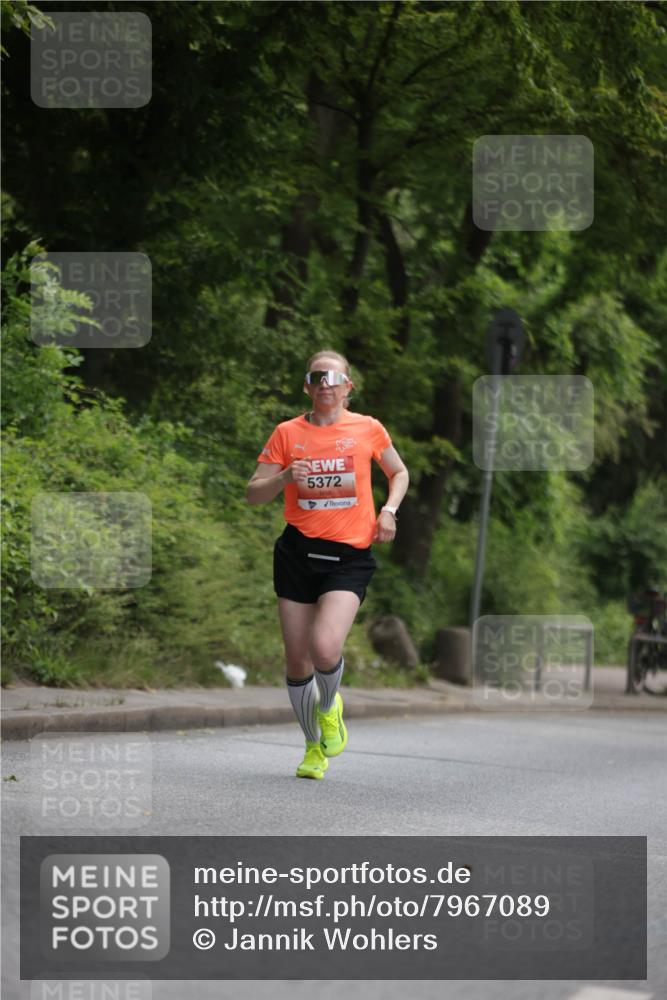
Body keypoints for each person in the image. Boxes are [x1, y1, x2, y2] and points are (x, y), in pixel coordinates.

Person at [245, 349, 409, 779]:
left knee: (324, 648)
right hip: (298, 553)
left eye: (333, 378)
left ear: (347, 387)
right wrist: (283, 479)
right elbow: (253, 492)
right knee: (297, 661)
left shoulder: (367, 428)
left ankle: (330, 705)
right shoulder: (287, 433)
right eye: (317, 377)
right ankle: (312, 748)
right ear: (306, 385)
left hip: (348, 557)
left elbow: (400, 472)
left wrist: (389, 510)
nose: (324, 384)